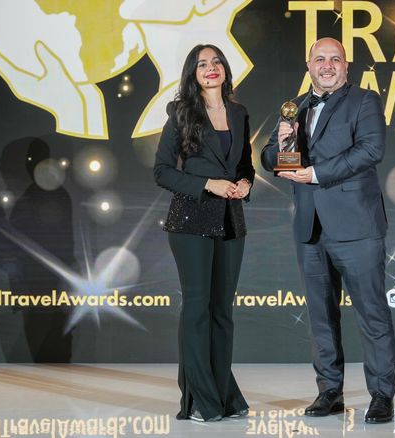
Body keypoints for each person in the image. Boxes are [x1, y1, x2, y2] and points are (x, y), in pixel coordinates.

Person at [261, 37, 395, 423]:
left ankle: (382, 396)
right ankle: (329, 392)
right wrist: (283, 145)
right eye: (320, 59)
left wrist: (316, 173)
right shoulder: (296, 106)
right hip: (310, 228)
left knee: (372, 313)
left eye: (335, 59)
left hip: (357, 226)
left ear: (346, 66)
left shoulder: (365, 101)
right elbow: (270, 155)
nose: (327, 65)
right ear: (309, 66)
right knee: (320, 315)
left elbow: (371, 150)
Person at [154, 44, 254, 422]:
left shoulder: (240, 113)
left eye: (216, 62)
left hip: (231, 220)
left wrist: (245, 181)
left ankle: (223, 397)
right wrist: (207, 184)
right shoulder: (181, 112)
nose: (210, 68)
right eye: (202, 64)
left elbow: (244, 162)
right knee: (197, 311)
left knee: (222, 313)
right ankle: (197, 400)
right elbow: (162, 171)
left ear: (226, 70)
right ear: (192, 74)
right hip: (190, 220)